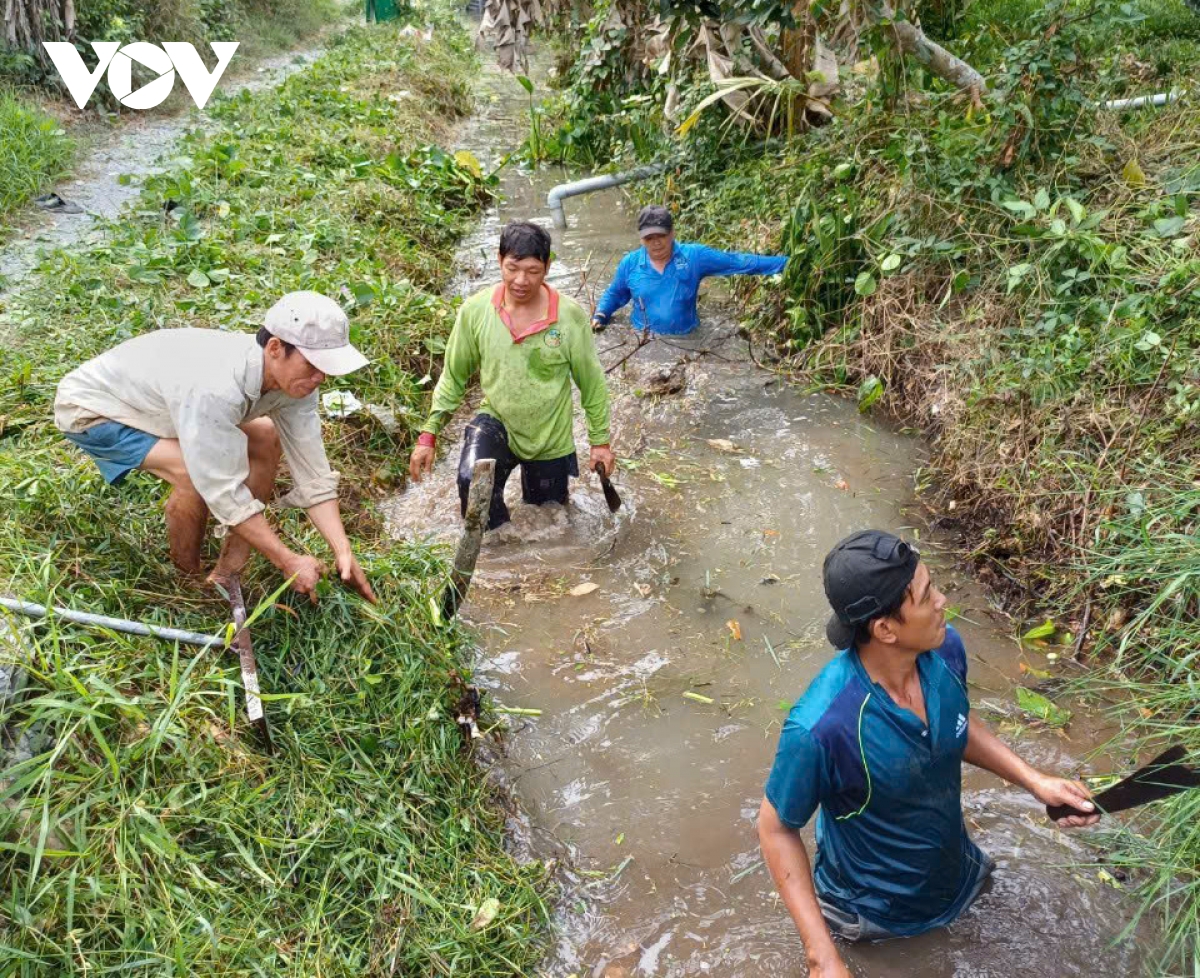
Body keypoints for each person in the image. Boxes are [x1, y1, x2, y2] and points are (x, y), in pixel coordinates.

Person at [758, 530, 1098, 976]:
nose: (941, 600)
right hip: (872, 920)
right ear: (885, 629)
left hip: (960, 875)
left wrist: (1034, 781)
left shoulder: (944, 649)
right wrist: (822, 957)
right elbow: (775, 829)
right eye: (925, 595)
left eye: (933, 584)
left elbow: (955, 720)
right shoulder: (823, 727)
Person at [54, 291, 376, 605]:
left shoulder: (297, 383)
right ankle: (188, 582)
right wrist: (288, 560)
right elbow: (222, 489)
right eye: (313, 365)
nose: (320, 377)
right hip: (92, 411)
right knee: (193, 474)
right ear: (276, 348)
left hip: (162, 407)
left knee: (266, 436)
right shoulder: (216, 387)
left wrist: (342, 550)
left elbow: (312, 471)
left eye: (327, 368)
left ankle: (228, 572)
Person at [409, 221, 615, 529]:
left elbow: (591, 382)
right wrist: (429, 433)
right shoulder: (476, 311)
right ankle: (496, 555)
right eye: (512, 268)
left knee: (548, 519)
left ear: (547, 266)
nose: (521, 280)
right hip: (497, 419)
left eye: (532, 271)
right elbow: (453, 375)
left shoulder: (569, 316)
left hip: (549, 435)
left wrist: (600, 442)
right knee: (472, 483)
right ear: (499, 260)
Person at [589, 204, 789, 335]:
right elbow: (615, 293)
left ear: (673, 233)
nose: (656, 243)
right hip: (643, 342)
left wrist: (787, 263)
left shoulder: (694, 256)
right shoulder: (630, 263)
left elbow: (738, 262)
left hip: (689, 339)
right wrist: (600, 315)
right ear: (641, 238)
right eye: (649, 238)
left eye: (661, 236)